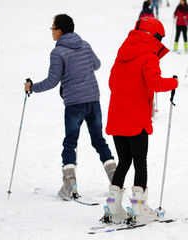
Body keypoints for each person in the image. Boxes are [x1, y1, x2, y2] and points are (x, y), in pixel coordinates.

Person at [24, 14, 116, 201]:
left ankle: (69, 186)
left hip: (74, 103)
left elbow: (51, 81)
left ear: (60, 30)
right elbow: (97, 65)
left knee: (70, 143)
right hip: (92, 100)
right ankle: (116, 182)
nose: (51, 32)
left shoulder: (58, 52)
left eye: (52, 28)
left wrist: (32, 87)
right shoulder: (85, 45)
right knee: (99, 140)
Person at [101, 17, 178, 224]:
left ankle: (111, 207)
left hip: (117, 117)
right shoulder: (148, 56)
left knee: (124, 160)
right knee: (140, 162)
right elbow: (155, 83)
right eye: (160, 38)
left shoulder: (123, 51)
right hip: (136, 120)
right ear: (154, 36)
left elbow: (111, 82)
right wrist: (174, 82)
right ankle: (138, 208)